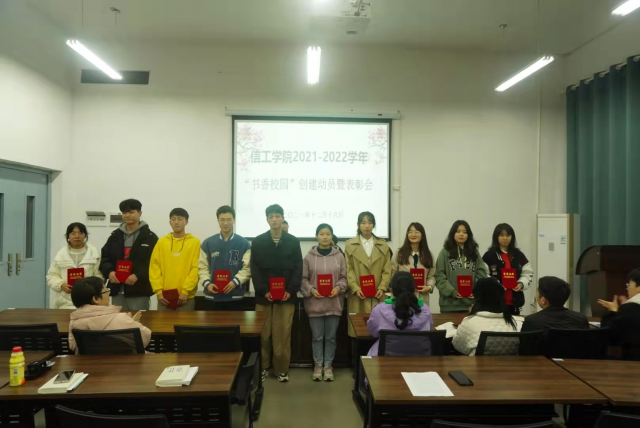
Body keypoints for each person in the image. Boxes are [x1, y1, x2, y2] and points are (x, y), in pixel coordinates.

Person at [251, 204, 303, 382]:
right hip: (264, 297)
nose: (274, 219)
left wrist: (290, 290)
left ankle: (281, 369)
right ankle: (264, 367)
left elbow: (298, 268)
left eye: (277, 216)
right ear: (267, 219)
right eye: (271, 216)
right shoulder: (258, 241)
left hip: (287, 297)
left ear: (283, 218)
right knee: (263, 334)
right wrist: (264, 291)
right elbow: (255, 269)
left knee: (282, 335)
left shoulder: (293, 241)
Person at [301, 223, 348, 381]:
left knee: (331, 338)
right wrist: (312, 289)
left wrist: (338, 288)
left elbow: (344, 278)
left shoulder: (339, 256)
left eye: (328, 234)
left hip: (334, 303)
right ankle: (318, 365)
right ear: (316, 236)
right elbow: (303, 279)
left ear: (332, 236)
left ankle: (328, 366)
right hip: (315, 304)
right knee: (317, 338)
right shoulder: (308, 257)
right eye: (322, 234)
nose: (325, 237)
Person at [100, 199, 158, 311]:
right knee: (118, 319)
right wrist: (110, 272)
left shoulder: (150, 237)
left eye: (131, 212)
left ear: (139, 213)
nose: (127, 215)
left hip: (139, 289)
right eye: (124, 212)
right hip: (117, 288)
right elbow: (104, 258)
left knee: (139, 319)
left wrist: (138, 275)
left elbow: (155, 262)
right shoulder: (115, 236)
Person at [68, 276, 151, 354]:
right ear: (96, 299)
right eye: (106, 291)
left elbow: (73, 346)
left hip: (90, 364)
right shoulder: (121, 319)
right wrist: (131, 322)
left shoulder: (75, 323)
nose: (108, 294)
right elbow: (145, 338)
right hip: (125, 363)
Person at [345, 211, 391, 336]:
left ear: (373, 225)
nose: (367, 226)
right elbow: (348, 269)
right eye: (363, 223)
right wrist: (355, 287)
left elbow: (387, 269)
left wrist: (382, 287)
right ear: (358, 225)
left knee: (378, 330)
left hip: (377, 293)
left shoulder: (383, 245)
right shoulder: (349, 245)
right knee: (359, 329)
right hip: (358, 294)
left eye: (370, 223)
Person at [366, 272, 434, 357]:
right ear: (414, 290)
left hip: (386, 360)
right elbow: (429, 328)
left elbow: (373, 333)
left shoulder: (379, 310)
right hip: (420, 359)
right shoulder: (425, 310)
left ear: (391, 290)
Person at [452, 277, 522, 356]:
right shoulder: (512, 322)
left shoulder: (469, 322)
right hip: (509, 363)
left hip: (477, 364)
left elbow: (457, 346)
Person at [198, 205, 251, 308]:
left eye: (229, 220)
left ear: (234, 220)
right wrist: (207, 283)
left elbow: (248, 268)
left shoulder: (244, 244)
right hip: (212, 296)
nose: (225, 223)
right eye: (222, 220)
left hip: (235, 296)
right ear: (218, 221)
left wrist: (235, 282)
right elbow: (202, 267)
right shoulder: (208, 243)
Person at [149, 208, 200, 311]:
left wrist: (186, 291)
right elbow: (154, 267)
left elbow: (196, 268)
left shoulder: (195, 243)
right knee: (163, 322)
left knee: (185, 322)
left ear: (186, 222)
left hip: (186, 298)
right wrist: (158, 291)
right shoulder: (161, 242)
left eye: (180, 219)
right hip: (164, 297)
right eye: (173, 219)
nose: (176, 222)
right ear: (170, 222)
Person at [435, 220, 488, 313]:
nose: (461, 234)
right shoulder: (444, 252)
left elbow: (481, 273)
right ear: (453, 234)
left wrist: (476, 290)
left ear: (468, 235)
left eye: (464, 232)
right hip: (449, 305)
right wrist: (452, 292)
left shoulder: (474, 252)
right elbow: (439, 275)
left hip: (471, 305)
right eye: (458, 231)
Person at [47, 223, 104, 309]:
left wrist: (88, 287)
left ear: (85, 236)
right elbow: (51, 276)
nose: (77, 236)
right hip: (65, 301)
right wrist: (61, 285)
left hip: (88, 301)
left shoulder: (94, 255)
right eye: (73, 233)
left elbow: (99, 276)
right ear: (68, 236)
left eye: (80, 233)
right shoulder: (61, 255)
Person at [482, 223, 534, 315]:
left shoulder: (519, 255)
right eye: (502, 235)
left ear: (512, 237)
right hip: (494, 303)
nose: (505, 238)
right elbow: (483, 274)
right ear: (496, 237)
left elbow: (527, 273)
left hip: (514, 303)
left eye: (508, 235)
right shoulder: (489, 255)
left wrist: (521, 284)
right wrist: (496, 285)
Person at [599, 269, 640, 360]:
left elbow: (609, 335)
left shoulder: (631, 307)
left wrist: (613, 312)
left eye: (629, 285)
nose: (627, 288)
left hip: (632, 362)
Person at [521, 277, 589, 332]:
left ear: (543, 300)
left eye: (537, 293)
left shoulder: (531, 321)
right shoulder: (580, 319)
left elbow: (524, 344)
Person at [391, 222, 435, 305]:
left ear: (422, 235)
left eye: (417, 232)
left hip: (421, 297)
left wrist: (429, 287)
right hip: (402, 297)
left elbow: (431, 276)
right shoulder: (399, 254)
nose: (413, 234)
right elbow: (393, 273)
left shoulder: (428, 255)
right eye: (410, 232)